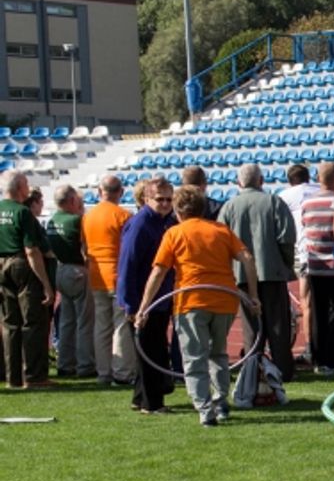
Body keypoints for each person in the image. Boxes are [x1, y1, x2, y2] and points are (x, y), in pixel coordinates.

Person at [136, 185, 260, 427]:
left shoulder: (174, 233)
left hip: (191, 302)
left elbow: (158, 272)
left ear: (178, 210)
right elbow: (247, 257)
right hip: (224, 301)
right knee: (218, 353)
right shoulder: (221, 230)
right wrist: (253, 295)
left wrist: (143, 307)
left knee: (194, 357)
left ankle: (205, 409)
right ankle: (219, 400)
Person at [218, 163, 297, 382]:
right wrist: (286, 265)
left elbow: (221, 242)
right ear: (261, 181)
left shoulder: (229, 206)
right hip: (272, 272)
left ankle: (252, 370)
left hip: (242, 275)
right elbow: (287, 238)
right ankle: (283, 369)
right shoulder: (274, 202)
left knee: (250, 326)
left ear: (238, 183)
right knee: (279, 325)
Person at [117, 177, 178, 414]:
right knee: (150, 351)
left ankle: (140, 397)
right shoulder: (141, 224)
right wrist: (131, 305)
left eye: (168, 199)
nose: (164, 204)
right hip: (144, 299)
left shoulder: (165, 222)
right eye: (159, 199)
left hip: (160, 297)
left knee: (155, 346)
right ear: (146, 199)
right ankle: (152, 403)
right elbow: (127, 265)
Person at [0, 171, 54, 389]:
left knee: (9, 323)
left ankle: (13, 377)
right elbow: (31, 250)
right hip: (20, 264)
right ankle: (34, 376)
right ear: (20, 187)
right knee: (32, 321)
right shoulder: (23, 212)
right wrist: (46, 284)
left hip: (1, 265)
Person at [82, 174, 135, 386]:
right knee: (121, 325)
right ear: (120, 193)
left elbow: (85, 248)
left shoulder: (88, 216)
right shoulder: (124, 215)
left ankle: (103, 371)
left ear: (99, 191)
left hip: (96, 276)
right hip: (117, 275)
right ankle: (122, 372)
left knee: (101, 326)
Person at [301, 163, 334, 375]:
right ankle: (333, 360)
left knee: (318, 312)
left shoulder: (308, 202)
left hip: (315, 264)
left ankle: (318, 359)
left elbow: (305, 228)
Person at [45, 184, 94, 378]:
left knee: (66, 320)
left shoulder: (51, 221)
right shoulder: (76, 220)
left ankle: (65, 363)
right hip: (77, 269)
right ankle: (85, 364)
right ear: (72, 201)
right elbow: (86, 247)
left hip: (61, 269)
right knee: (84, 320)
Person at [279, 164, 320, 367]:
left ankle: (310, 348)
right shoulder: (320, 191)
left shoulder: (285, 196)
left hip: (302, 251)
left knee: (306, 302)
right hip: (326, 251)